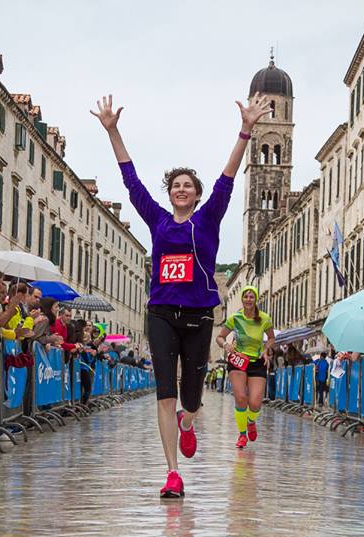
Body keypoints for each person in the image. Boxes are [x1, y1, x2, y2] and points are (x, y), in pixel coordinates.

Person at [93, 92, 269, 497]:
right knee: (165, 392)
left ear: (197, 193)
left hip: (199, 316)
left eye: (188, 185)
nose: (182, 189)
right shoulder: (157, 220)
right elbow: (132, 182)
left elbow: (227, 177)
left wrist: (245, 130)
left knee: (191, 397)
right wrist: (113, 131)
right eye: (176, 185)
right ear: (170, 192)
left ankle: (188, 422)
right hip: (160, 313)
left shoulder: (208, 218)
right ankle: (172, 472)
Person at [216, 285, 275, 448]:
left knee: (255, 403)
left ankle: (250, 421)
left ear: (256, 299)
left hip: (257, 362)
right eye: (246, 296)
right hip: (238, 361)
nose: (248, 299)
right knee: (241, 398)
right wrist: (226, 345)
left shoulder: (264, 318)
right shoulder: (235, 318)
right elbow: (219, 337)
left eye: (251, 296)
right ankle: (242, 435)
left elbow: (271, 338)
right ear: (242, 299)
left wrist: (266, 349)